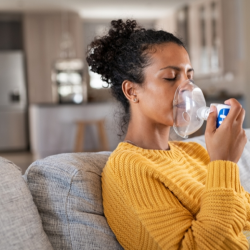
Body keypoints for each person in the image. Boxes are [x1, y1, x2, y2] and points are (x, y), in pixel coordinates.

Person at [86, 19, 250, 250]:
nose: (187, 90)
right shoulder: (129, 167)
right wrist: (223, 163)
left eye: (189, 77)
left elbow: (244, 217)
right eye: (171, 78)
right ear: (132, 90)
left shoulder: (194, 152)